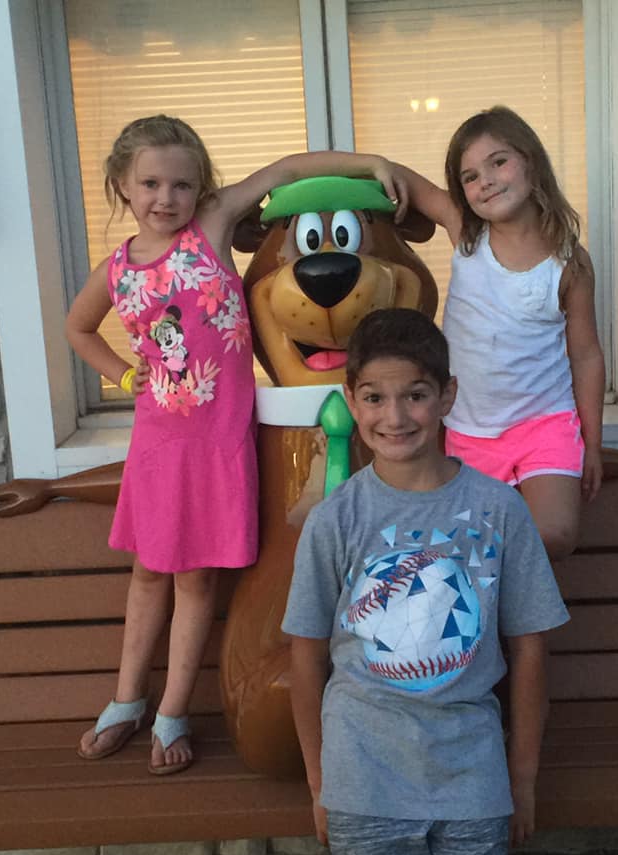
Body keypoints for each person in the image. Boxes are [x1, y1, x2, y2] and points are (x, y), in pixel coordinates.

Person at [67, 114, 401, 775]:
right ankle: (126, 699)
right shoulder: (116, 270)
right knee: (146, 575)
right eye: (152, 184)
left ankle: (172, 711)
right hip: (159, 447)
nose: (167, 198)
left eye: (182, 184)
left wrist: (367, 161)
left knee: (195, 581)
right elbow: (78, 330)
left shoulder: (212, 228)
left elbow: (286, 171)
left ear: (203, 190)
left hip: (216, 445)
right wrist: (126, 375)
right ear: (122, 187)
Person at [283, 307, 569, 855]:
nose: (396, 417)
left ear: (446, 396)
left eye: (415, 395)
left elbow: (529, 653)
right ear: (351, 402)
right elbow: (305, 659)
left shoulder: (499, 510)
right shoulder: (336, 520)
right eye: (375, 398)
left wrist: (520, 780)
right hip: (364, 773)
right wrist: (319, 782)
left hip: (471, 770)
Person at [365, 106, 605, 559]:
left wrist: (592, 443)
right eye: (470, 176)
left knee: (552, 534)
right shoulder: (468, 234)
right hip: (470, 431)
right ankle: (502, 626)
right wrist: (380, 169)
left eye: (499, 162)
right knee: (473, 548)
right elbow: (411, 184)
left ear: (531, 163)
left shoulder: (570, 262)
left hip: (545, 424)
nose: (486, 180)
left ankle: (519, 615)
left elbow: (586, 355)